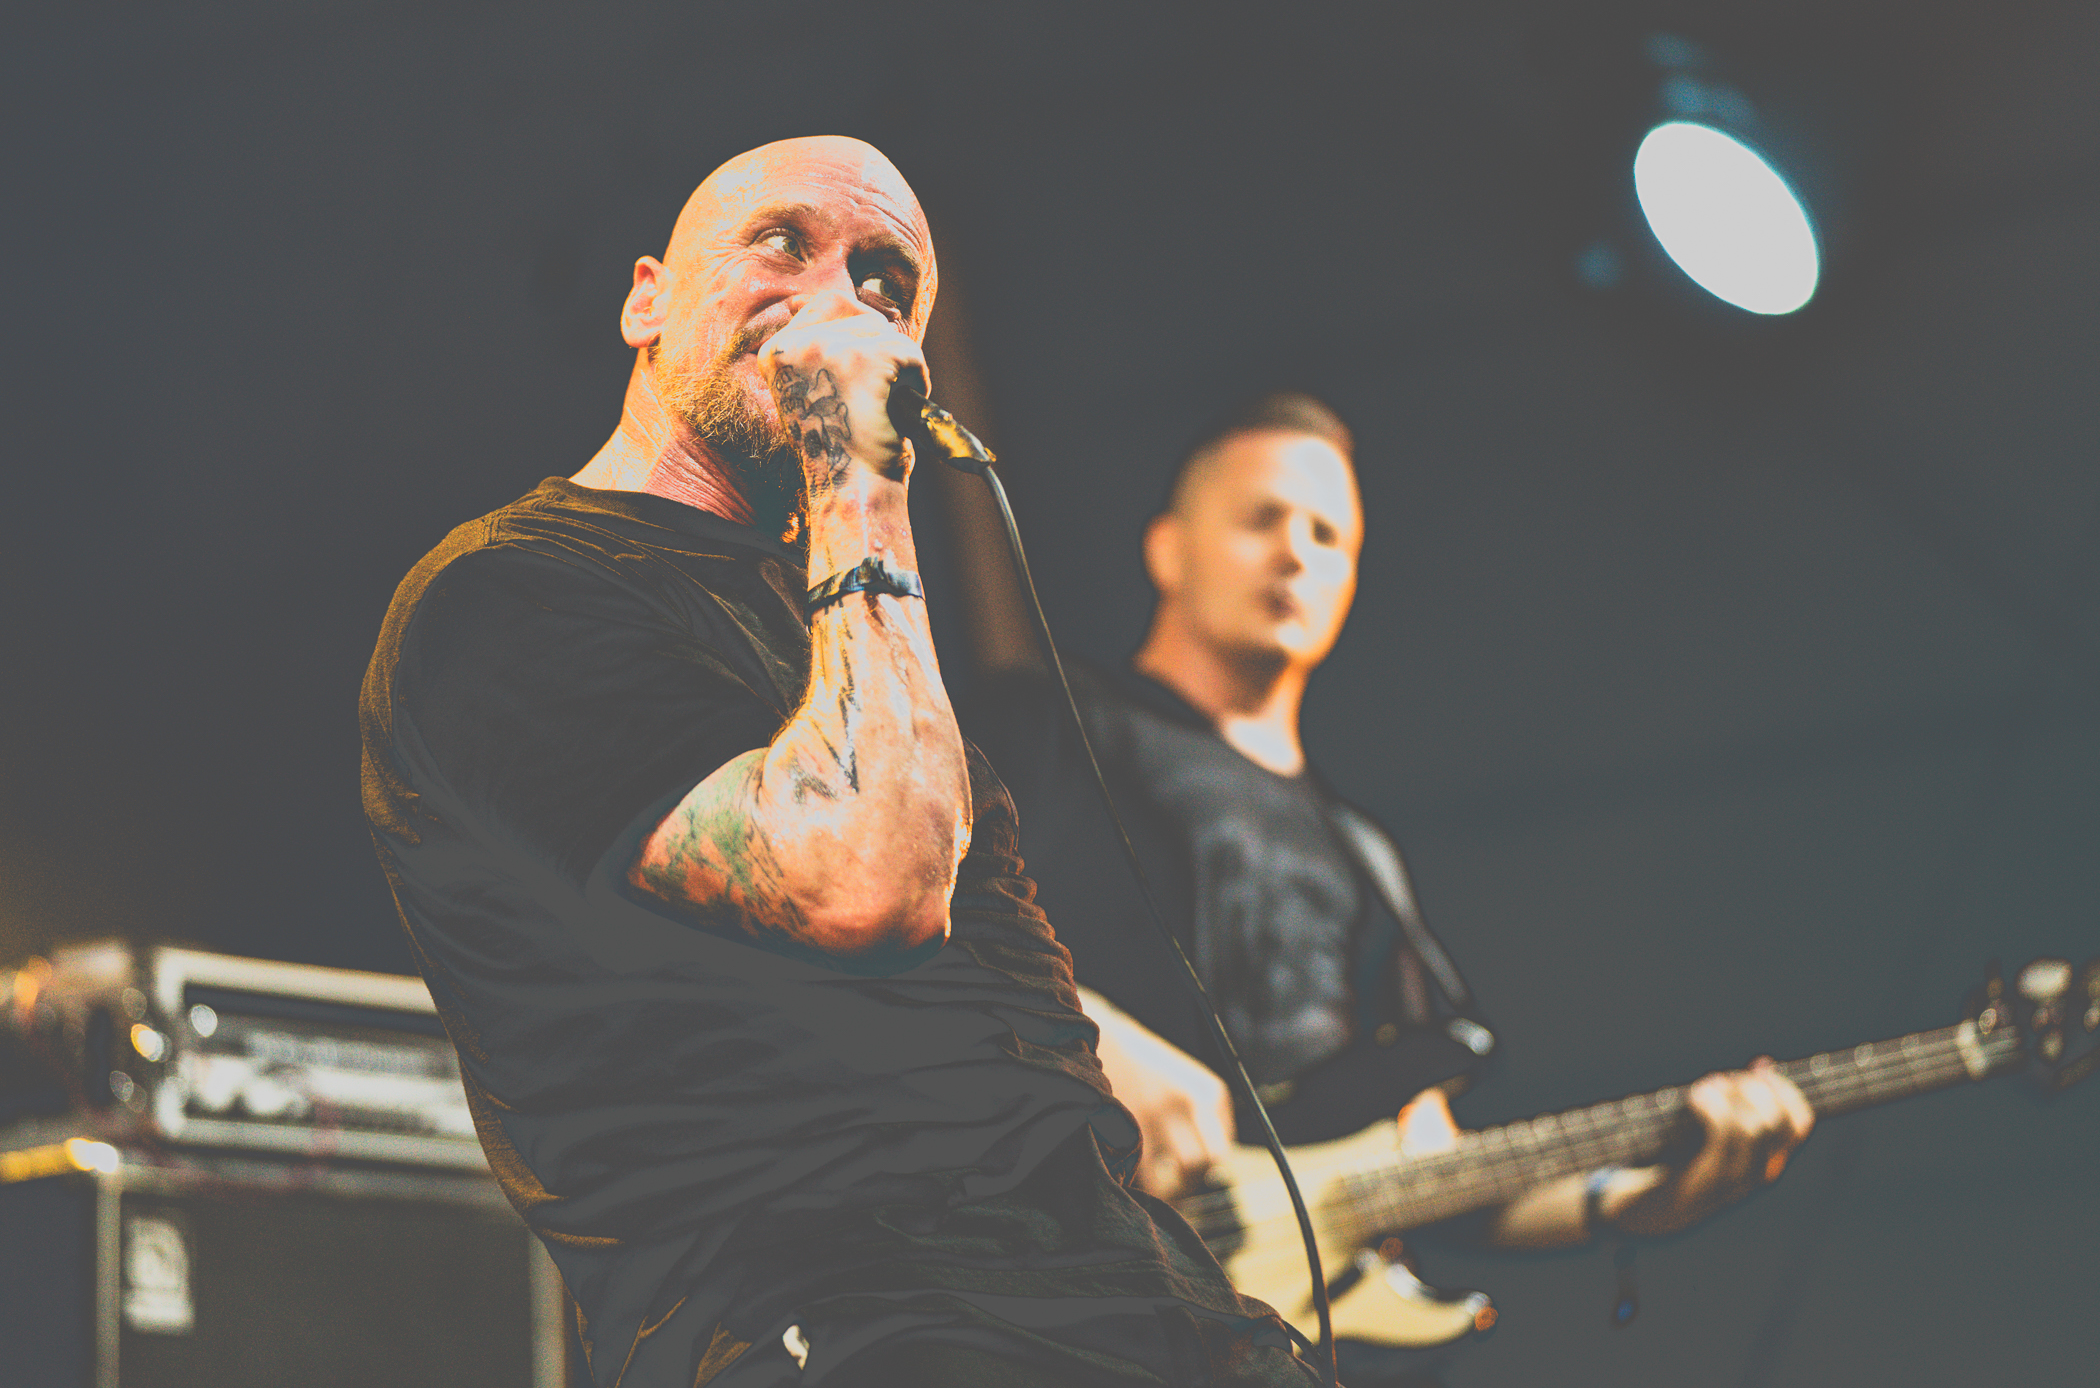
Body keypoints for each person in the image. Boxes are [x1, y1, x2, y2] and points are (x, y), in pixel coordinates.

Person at [359, 138, 1326, 1387]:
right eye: (782, 242)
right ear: (648, 300)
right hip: (856, 1323)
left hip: (1135, 1303)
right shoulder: (504, 600)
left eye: (885, 283)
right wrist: (857, 477)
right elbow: (863, 880)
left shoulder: (846, 640)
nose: (838, 299)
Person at [964, 393, 1816, 1386]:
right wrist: (1085, 1032)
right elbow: (884, 914)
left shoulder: (1359, 852)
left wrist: (1634, 1202)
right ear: (1168, 548)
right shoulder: (1041, 719)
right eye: (1262, 519)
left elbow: (1428, 1164)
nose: (1296, 552)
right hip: (1017, 1293)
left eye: (1328, 535)